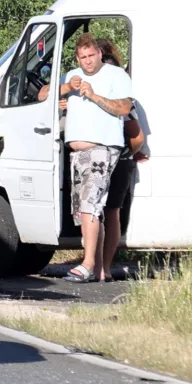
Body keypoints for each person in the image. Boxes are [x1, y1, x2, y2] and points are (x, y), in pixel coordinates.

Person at [59, 33, 133, 283]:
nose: (88, 61)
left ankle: (88, 263)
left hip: (102, 150)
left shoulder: (115, 75)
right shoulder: (71, 76)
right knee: (87, 210)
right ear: (77, 58)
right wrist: (68, 89)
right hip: (78, 154)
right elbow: (42, 94)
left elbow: (124, 108)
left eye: (91, 55)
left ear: (100, 53)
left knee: (93, 205)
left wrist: (93, 96)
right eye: (83, 57)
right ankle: (99, 268)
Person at [94, 38, 147, 282]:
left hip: (113, 159)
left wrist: (130, 151)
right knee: (105, 212)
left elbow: (136, 134)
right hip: (113, 158)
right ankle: (100, 266)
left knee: (104, 212)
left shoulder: (119, 100)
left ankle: (100, 267)